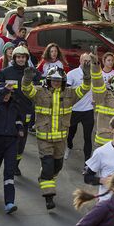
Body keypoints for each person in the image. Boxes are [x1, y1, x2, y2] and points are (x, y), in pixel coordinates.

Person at [22, 63, 90, 209]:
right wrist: (27, 78)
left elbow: (85, 88)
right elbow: (26, 90)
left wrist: (87, 76)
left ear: (63, 82)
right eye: (53, 80)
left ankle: (45, 178)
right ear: (48, 80)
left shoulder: (70, 94)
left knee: (57, 166)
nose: (56, 83)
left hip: (61, 139)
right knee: (47, 166)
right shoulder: (39, 92)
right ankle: (49, 197)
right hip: (44, 138)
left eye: (59, 81)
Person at [0, 46, 40, 176]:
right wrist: (2, 88)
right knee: (10, 138)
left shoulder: (33, 72)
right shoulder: (6, 72)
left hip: (26, 111)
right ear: (14, 58)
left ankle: (15, 165)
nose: (21, 59)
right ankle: (6, 164)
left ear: (26, 58)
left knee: (21, 142)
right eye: (18, 57)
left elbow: (43, 84)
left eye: (23, 57)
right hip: (8, 111)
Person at [0, 84, 24, 214]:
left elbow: (18, 119)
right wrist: (4, 90)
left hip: (12, 142)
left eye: (8, 93)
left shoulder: (15, 104)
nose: (6, 96)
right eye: (4, 93)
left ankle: (9, 202)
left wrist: (20, 129)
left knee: (9, 171)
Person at [65, 53, 94, 161]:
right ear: (80, 61)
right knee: (71, 133)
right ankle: (68, 147)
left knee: (87, 137)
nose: (87, 63)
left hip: (88, 110)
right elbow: (67, 91)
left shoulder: (94, 74)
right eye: (85, 61)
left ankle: (87, 161)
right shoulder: (72, 74)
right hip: (75, 109)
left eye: (89, 61)